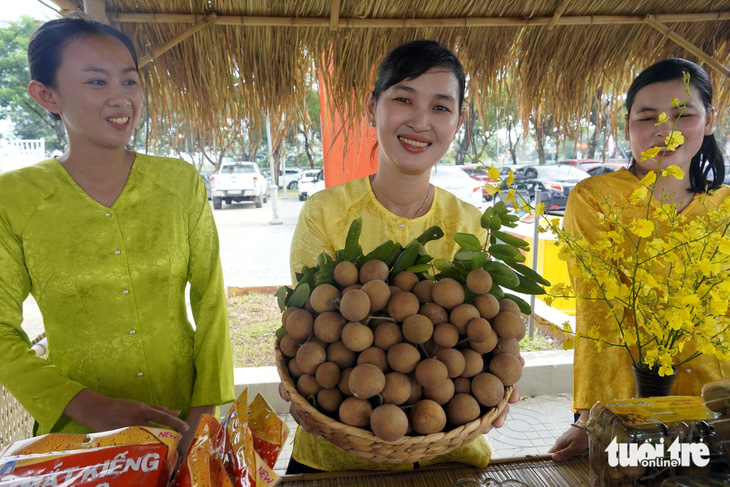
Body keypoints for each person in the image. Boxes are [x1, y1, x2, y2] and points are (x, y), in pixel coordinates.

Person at [0, 18, 235, 457]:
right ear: (46, 95)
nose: (121, 97)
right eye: (96, 81)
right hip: (80, 438)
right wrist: (87, 405)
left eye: (130, 80)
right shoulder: (14, 199)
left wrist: (203, 413)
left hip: (182, 418)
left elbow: (210, 300)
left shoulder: (179, 183)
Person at [284, 40, 522, 473]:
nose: (420, 120)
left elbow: (490, 335)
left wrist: (501, 384)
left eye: (440, 107)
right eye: (403, 99)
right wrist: (298, 386)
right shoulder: (326, 213)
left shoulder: (473, 226)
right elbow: (303, 329)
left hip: (450, 458)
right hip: (334, 459)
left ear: (458, 121)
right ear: (372, 106)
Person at [549, 57, 730, 462]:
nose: (664, 130)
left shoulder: (726, 208)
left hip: (715, 410)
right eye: (647, 117)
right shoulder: (595, 199)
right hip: (629, 411)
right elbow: (598, 311)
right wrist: (589, 415)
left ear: (710, 120)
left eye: (683, 114)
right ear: (627, 125)